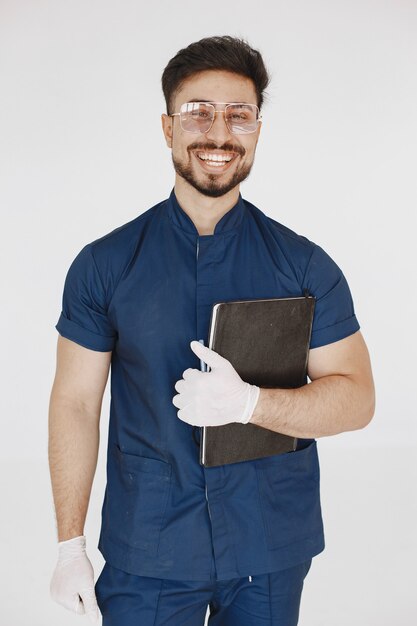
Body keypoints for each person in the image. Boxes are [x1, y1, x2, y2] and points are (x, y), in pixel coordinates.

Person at [48, 35, 375, 626]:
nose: (218, 133)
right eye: (199, 111)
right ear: (168, 127)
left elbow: (356, 400)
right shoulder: (105, 265)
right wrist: (69, 544)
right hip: (148, 547)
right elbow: (74, 402)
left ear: (256, 130)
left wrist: (251, 403)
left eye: (238, 115)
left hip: (269, 544)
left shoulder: (305, 267)